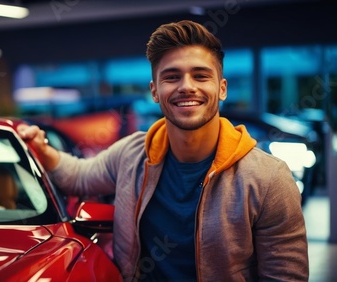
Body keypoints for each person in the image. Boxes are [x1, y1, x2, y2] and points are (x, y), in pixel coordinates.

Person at [18, 20, 309, 281]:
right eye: (171, 77)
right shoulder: (132, 153)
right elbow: (78, 176)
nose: (186, 87)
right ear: (155, 91)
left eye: (200, 76)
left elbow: (285, 277)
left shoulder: (269, 178)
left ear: (222, 88)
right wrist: (42, 148)